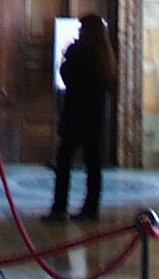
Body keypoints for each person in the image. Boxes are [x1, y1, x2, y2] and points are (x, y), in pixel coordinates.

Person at [43, 14, 118, 223]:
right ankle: (91, 209)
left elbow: (67, 76)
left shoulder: (81, 52)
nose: (79, 32)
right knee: (93, 164)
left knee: (64, 162)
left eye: (81, 28)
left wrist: (68, 54)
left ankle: (59, 208)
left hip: (76, 115)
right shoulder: (105, 56)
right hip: (94, 117)